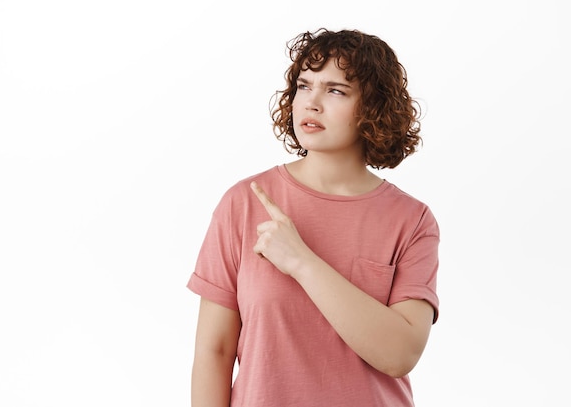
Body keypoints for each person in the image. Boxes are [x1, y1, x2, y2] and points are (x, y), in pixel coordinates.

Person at [186, 28, 440, 407]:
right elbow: (214, 352)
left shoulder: (411, 220)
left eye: (336, 90)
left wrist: (301, 261)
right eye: (304, 86)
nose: (312, 103)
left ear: (373, 106)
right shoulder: (243, 203)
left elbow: (399, 355)